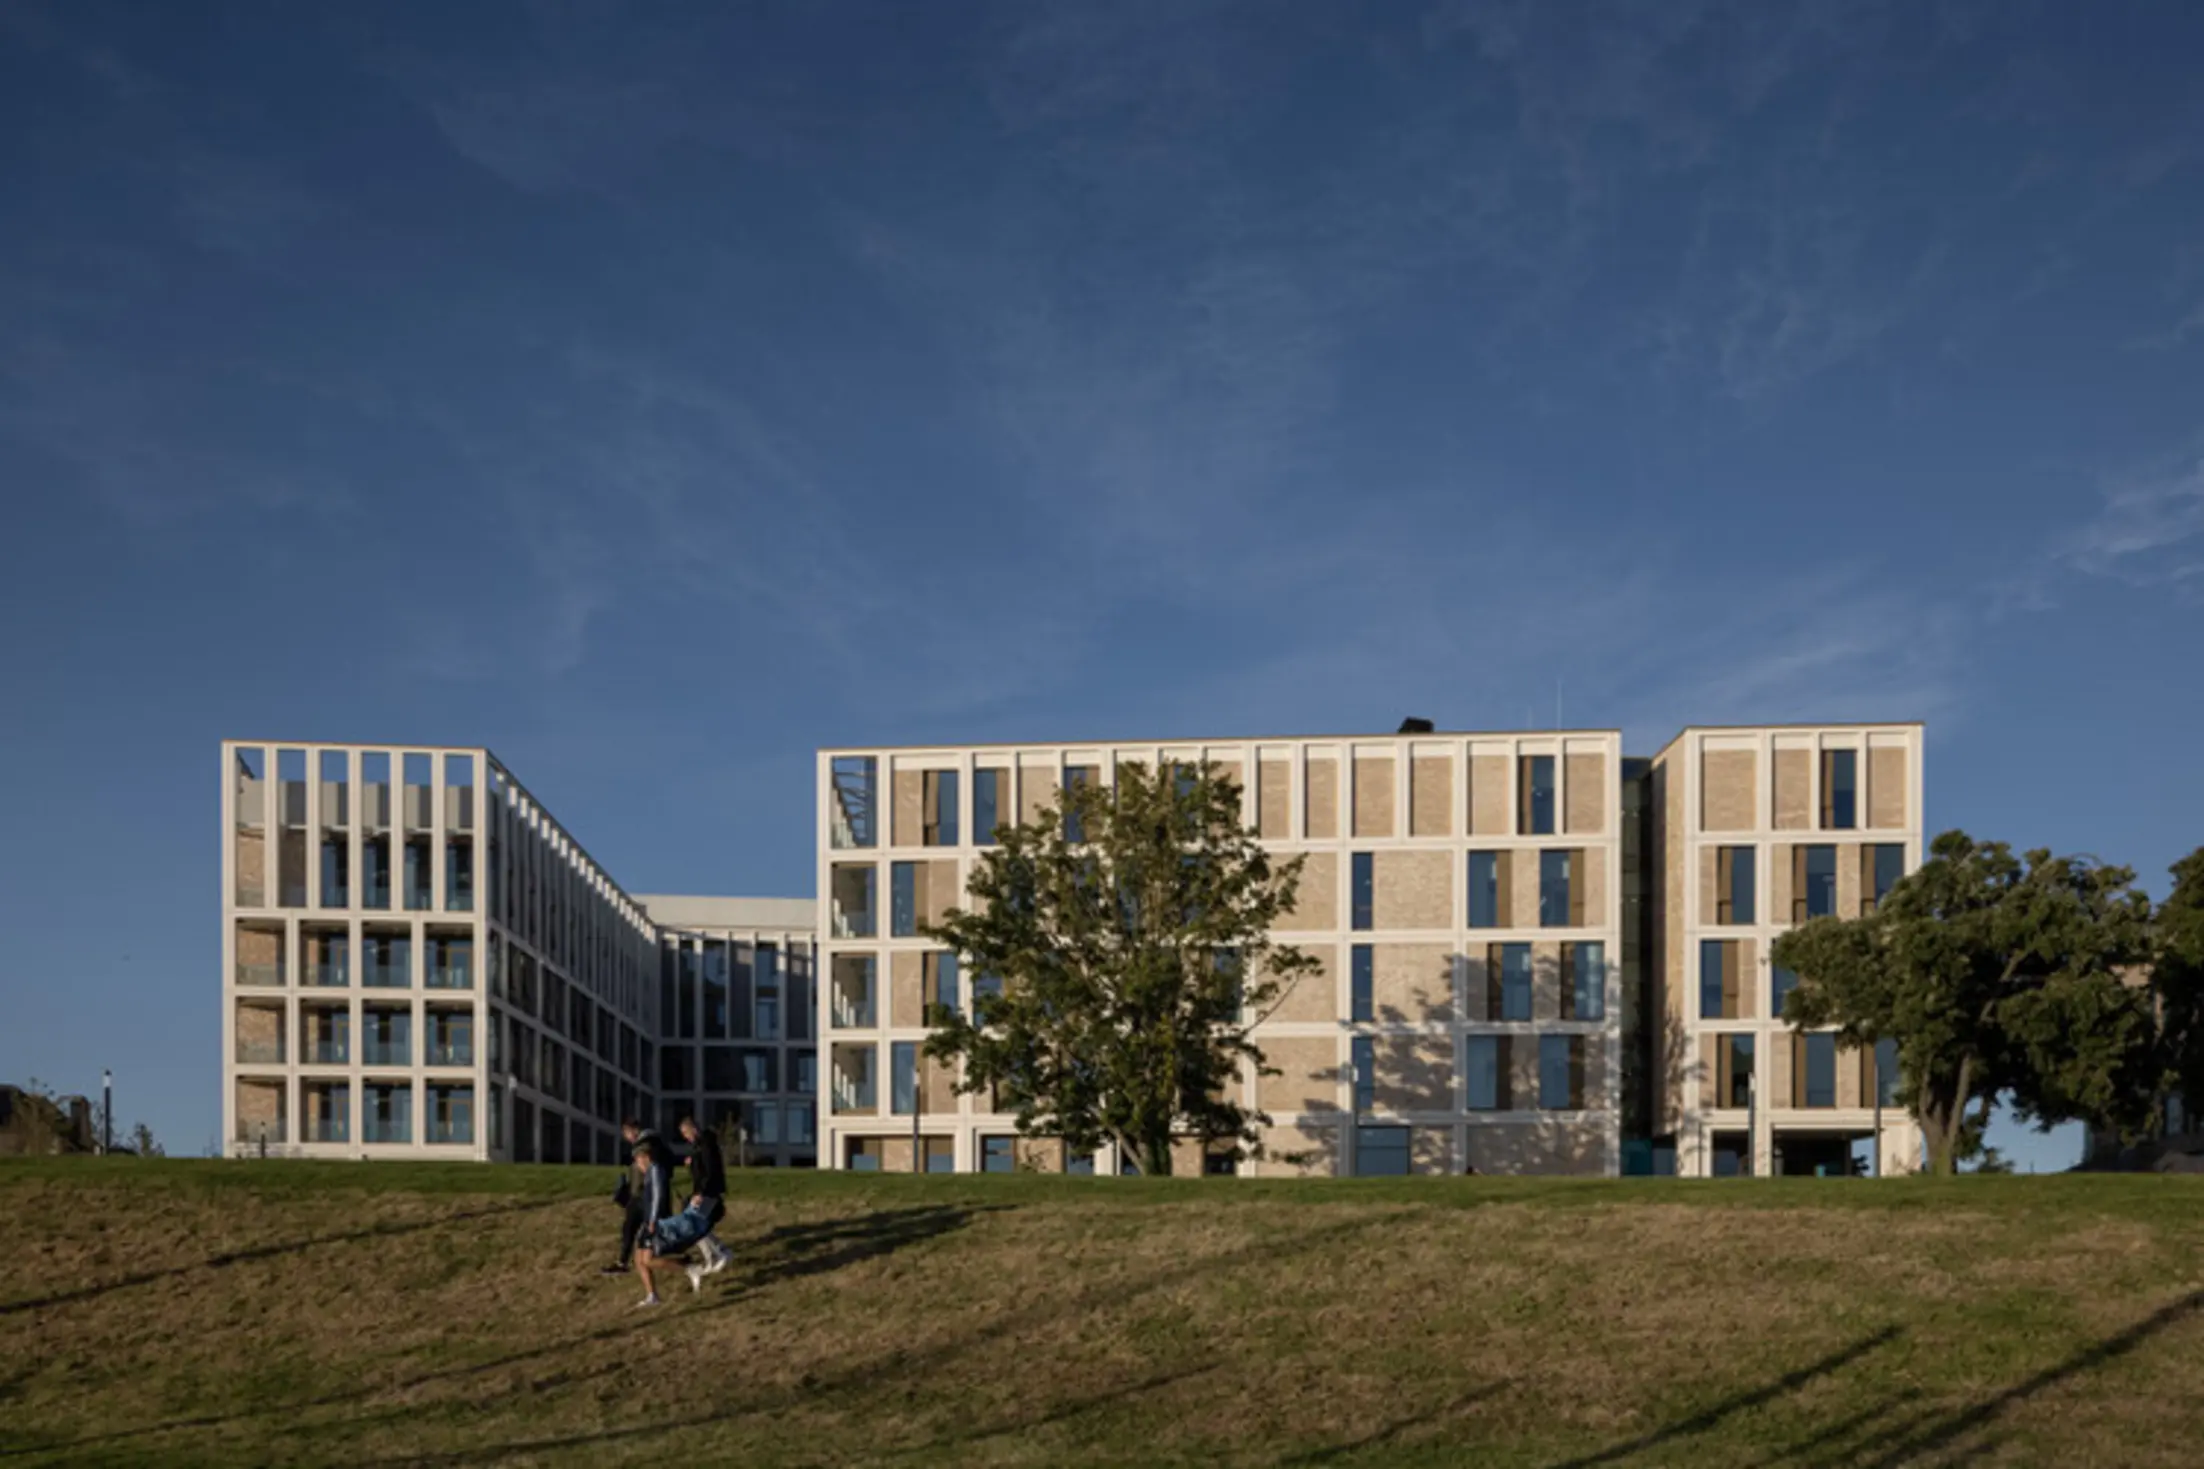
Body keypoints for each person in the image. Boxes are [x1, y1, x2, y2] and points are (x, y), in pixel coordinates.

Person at [628, 1140, 718, 1307]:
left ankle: (690, 1269)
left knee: (647, 1260)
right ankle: (652, 1295)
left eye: (638, 1160)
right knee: (638, 1259)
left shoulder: (655, 1170)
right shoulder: (649, 1173)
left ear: (645, 1157)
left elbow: (657, 1197)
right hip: (648, 1221)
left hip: (654, 1222)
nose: (637, 1164)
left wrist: (653, 1220)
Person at [603, 1117, 675, 1276]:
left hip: (646, 1195)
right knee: (631, 1228)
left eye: (627, 1133)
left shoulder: (645, 1145)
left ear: (633, 1130)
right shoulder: (649, 1143)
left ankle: (677, 1259)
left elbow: (648, 1170)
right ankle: (623, 1261)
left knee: (643, 1228)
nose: (626, 1137)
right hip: (640, 1195)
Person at [677, 1115, 731, 1274]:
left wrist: (701, 1192)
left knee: (695, 1225)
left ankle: (719, 1253)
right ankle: (714, 1256)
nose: (686, 1137)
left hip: (709, 1192)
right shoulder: (700, 1146)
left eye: (686, 1133)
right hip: (704, 1191)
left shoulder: (706, 1144)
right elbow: (700, 1170)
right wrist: (692, 1162)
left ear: (694, 1129)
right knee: (694, 1225)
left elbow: (709, 1171)